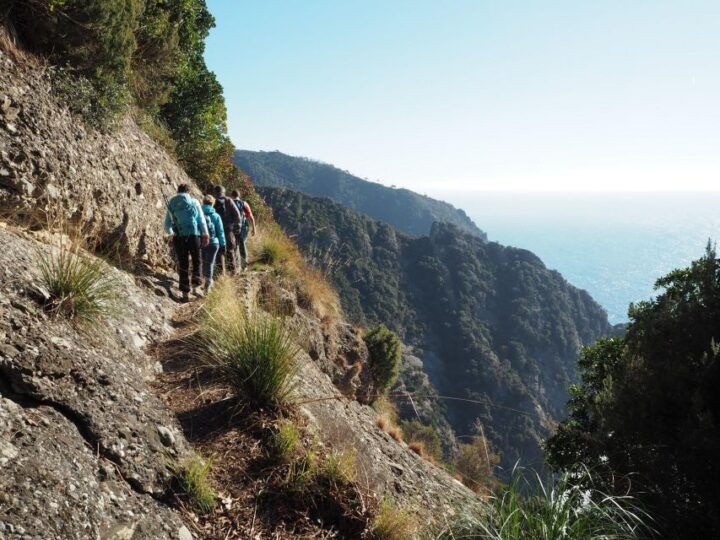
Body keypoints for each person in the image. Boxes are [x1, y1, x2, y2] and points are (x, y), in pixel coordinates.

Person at [164, 184, 209, 302]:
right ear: (188, 191)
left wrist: (171, 233)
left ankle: (184, 292)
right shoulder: (194, 202)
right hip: (193, 235)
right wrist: (205, 233)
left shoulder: (171, 203)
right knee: (197, 259)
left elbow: (167, 224)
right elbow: (201, 220)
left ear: (178, 191)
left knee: (183, 263)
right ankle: (196, 283)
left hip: (179, 237)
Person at [212, 185, 243, 274]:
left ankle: (220, 272)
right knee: (230, 250)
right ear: (224, 192)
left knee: (219, 251)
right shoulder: (229, 200)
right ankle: (232, 271)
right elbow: (237, 214)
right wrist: (237, 227)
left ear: (215, 192)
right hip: (228, 229)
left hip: (216, 230)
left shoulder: (213, 201)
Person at [200, 194, 225, 292]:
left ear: (203, 202)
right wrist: (223, 244)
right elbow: (220, 231)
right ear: (213, 204)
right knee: (210, 263)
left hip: (202, 241)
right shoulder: (216, 216)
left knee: (203, 261)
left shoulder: (199, 214)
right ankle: (208, 283)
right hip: (214, 243)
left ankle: (202, 280)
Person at [230, 190, 257, 270]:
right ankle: (244, 265)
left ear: (231, 195)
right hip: (242, 227)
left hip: (231, 227)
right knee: (242, 244)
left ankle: (235, 265)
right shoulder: (244, 203)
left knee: (234, 245)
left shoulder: (228, 203)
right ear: (239, 195)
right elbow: (251, 216)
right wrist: (254, 228)